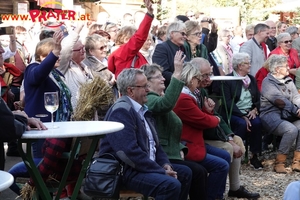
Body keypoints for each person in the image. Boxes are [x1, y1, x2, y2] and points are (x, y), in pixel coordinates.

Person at [99, 68, 186, 200]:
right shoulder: (121, 111)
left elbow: (156, 145)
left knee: (186, 174)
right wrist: (160, 170)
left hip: (143, 166)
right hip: (125, 171)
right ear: (130, 91)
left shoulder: (142, 110)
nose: (148, 90)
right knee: (170, 185)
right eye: (144, 86)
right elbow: (129, 153)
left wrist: (165, 164)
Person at [191, 57, 260, 199]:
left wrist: (229, 136)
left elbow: (216, 117)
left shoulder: (201, 92)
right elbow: (209, 120)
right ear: (194, 74)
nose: (209, 78)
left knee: (238, 140)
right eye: (205, 75)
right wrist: (228, 140)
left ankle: (234, 187)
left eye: (209, 74)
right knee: (228, 148)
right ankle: (217, 192)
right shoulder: (190, 94)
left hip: (207, 133)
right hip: (198, 139)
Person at [143, 51, 208, 199]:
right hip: (163, 155)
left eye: (162, 75)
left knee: (200, 170)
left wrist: (181, 148)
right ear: (147, 81)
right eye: (158, 76)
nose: (163, 79)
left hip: (173, 152)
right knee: (194, 171)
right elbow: (165, 105)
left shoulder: (159, 97)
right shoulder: (150, 100)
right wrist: (177, 73)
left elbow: (172, 131)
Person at [173, 62, 230, 200]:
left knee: (226, 157)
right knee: (221, 166)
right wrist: (215, 118)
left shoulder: (191, 94)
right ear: (191, 79)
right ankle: (211, 197)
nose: (199, 83)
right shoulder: (184, 98)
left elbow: (200, 117)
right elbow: (202, 121)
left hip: (196, 141)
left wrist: (207, 111)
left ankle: (217, 195)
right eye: (198, 79)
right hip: (188, 144)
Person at [220, 52, 264, 170]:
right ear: (239, 66)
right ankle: (237, 154)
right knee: (241, 123)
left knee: (257, 123)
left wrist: (255, 109)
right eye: (247, 63)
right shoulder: (228, 79)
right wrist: (242, 115)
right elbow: (227, 102)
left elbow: (259, 98)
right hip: (233, 112)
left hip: (249, 111)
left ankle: (254, 156)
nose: (250, 65)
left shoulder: (251, 79)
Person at [260, 54, 300, 174]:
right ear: (277, 69)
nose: (289, 68)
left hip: (288, 114)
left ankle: (297, 161)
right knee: (291, 130)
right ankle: (280, 162)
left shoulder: (288, 80)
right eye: (286, 66)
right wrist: (296, 111)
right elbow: (280, 101)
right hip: (270, 115)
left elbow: (296, 97)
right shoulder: (267, 82)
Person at [108, 0, 154, 78]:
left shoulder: (131, 53)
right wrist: (149, 15)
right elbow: (140, 37)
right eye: (134, 37)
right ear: (126, 39)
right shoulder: (123, 52)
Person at [152, 21, 187, 88]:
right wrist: (182, 78)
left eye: (186, 34)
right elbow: (162, 72)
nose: (185, 37)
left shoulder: (183, 48)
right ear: (172, 34)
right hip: (169, 88)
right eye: (182, 34)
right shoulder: (162, 48)